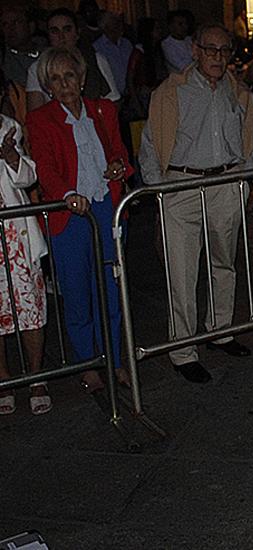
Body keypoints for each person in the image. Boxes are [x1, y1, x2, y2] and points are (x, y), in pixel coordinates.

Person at [139, 24, 253, 384]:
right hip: (182, 183)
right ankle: (184, 349)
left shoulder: (238, 92)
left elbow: (249, 139)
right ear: (195, 50)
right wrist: (161, 188)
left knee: (224, 262)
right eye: (210, 50)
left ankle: (220, 331)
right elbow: (149, 142)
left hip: (225, 182)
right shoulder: (170, 92)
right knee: (182, 271)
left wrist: (246, 178)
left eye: (224, 51)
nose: (218, 58)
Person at [26, 47, 134, 397]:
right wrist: (67, 194)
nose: (64, 85)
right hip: (68, 217)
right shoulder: (41, 120)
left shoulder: (104, 110)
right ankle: (88, 363)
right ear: (47, 86)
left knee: (111, 290)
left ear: (82, 78)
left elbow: (121, 152)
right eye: (54, 80)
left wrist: (119, 165)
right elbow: (44, 167)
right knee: (77, 295)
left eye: (69, 76)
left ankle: (114, 359)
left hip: (106, 208)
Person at [0, 89, 49, 416]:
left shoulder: (8, 128)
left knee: (30, 307)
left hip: (15, 237)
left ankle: (37, 377)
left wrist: (13, 158)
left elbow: (30, 176)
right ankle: (3, 380)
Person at [26, 8, 120, 112]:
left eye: (67, 30)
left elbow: (113, 102)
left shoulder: (96, 59)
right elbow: (36, 114)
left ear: (77, 33)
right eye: (54, 31)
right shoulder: (37, 67)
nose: (61, 36)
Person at [93, 11, 133, 98]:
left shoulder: (127, 44)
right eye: (115, 23)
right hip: (112, 97)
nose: (119, 25)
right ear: (106, 27)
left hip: (131, 94)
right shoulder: (97, 48)